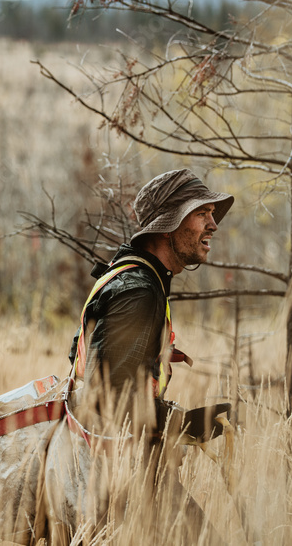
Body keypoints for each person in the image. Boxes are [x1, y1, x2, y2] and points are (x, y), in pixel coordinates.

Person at [47, 168, 233, 543]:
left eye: (212, 214)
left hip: (117, 470)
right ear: (168, 226)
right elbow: (106, 393)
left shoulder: (131, 278)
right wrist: (183, 424)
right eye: (201, 213)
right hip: (123, 477)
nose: (213, 224)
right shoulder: (138, 290)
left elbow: (89, 365)